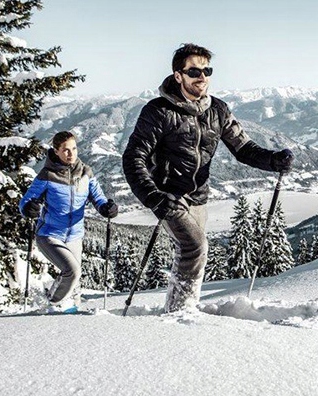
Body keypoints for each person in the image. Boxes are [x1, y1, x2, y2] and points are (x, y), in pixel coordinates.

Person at [122, 43, 292, 313]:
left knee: (192, 253)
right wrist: (153, 197)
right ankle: (181, 314)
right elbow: (133, 158)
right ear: (178, 75)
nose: (202, 76)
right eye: (194, 71)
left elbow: (243, 148)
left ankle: (179, 307)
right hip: (168, 196)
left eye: (207, 70)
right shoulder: (158, 111)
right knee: (194, 247)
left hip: (199, 197)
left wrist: (272, 160)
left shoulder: (218, 110)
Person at [19, 131, 118, 313]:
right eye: (65, 150)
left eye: (73, 148)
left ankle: (71, 320)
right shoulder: (47, 175)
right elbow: (26, 201)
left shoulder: (86, 173)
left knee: (74, 284)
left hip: (74, 236)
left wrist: (106, 208)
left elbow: (98, 198)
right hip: (49, 234)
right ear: (56, 151)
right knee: (72, 272)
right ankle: (52, 304)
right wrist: (28, 208)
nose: (71, 153)